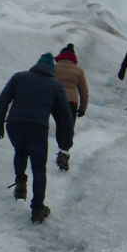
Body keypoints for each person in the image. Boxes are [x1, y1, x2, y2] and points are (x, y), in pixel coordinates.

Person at [0, 53, 75, 223]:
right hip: (38, 129)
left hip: (15, 126)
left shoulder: (19, 77)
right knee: (39, 168)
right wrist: (66, 142)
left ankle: (20, 181)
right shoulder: (55, 85)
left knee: (20, 151)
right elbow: (66, 116)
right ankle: (38, 209)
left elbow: (3, 100)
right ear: (51, 70)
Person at [53, 43, 88, 171]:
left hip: (55, 101)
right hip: (71, 103)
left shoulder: (54, 68)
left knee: (60, 125)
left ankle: (61, 150)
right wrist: (83, 108)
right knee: (68, 127)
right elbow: (84, 91)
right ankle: (64, 152)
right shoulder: (78, 70)